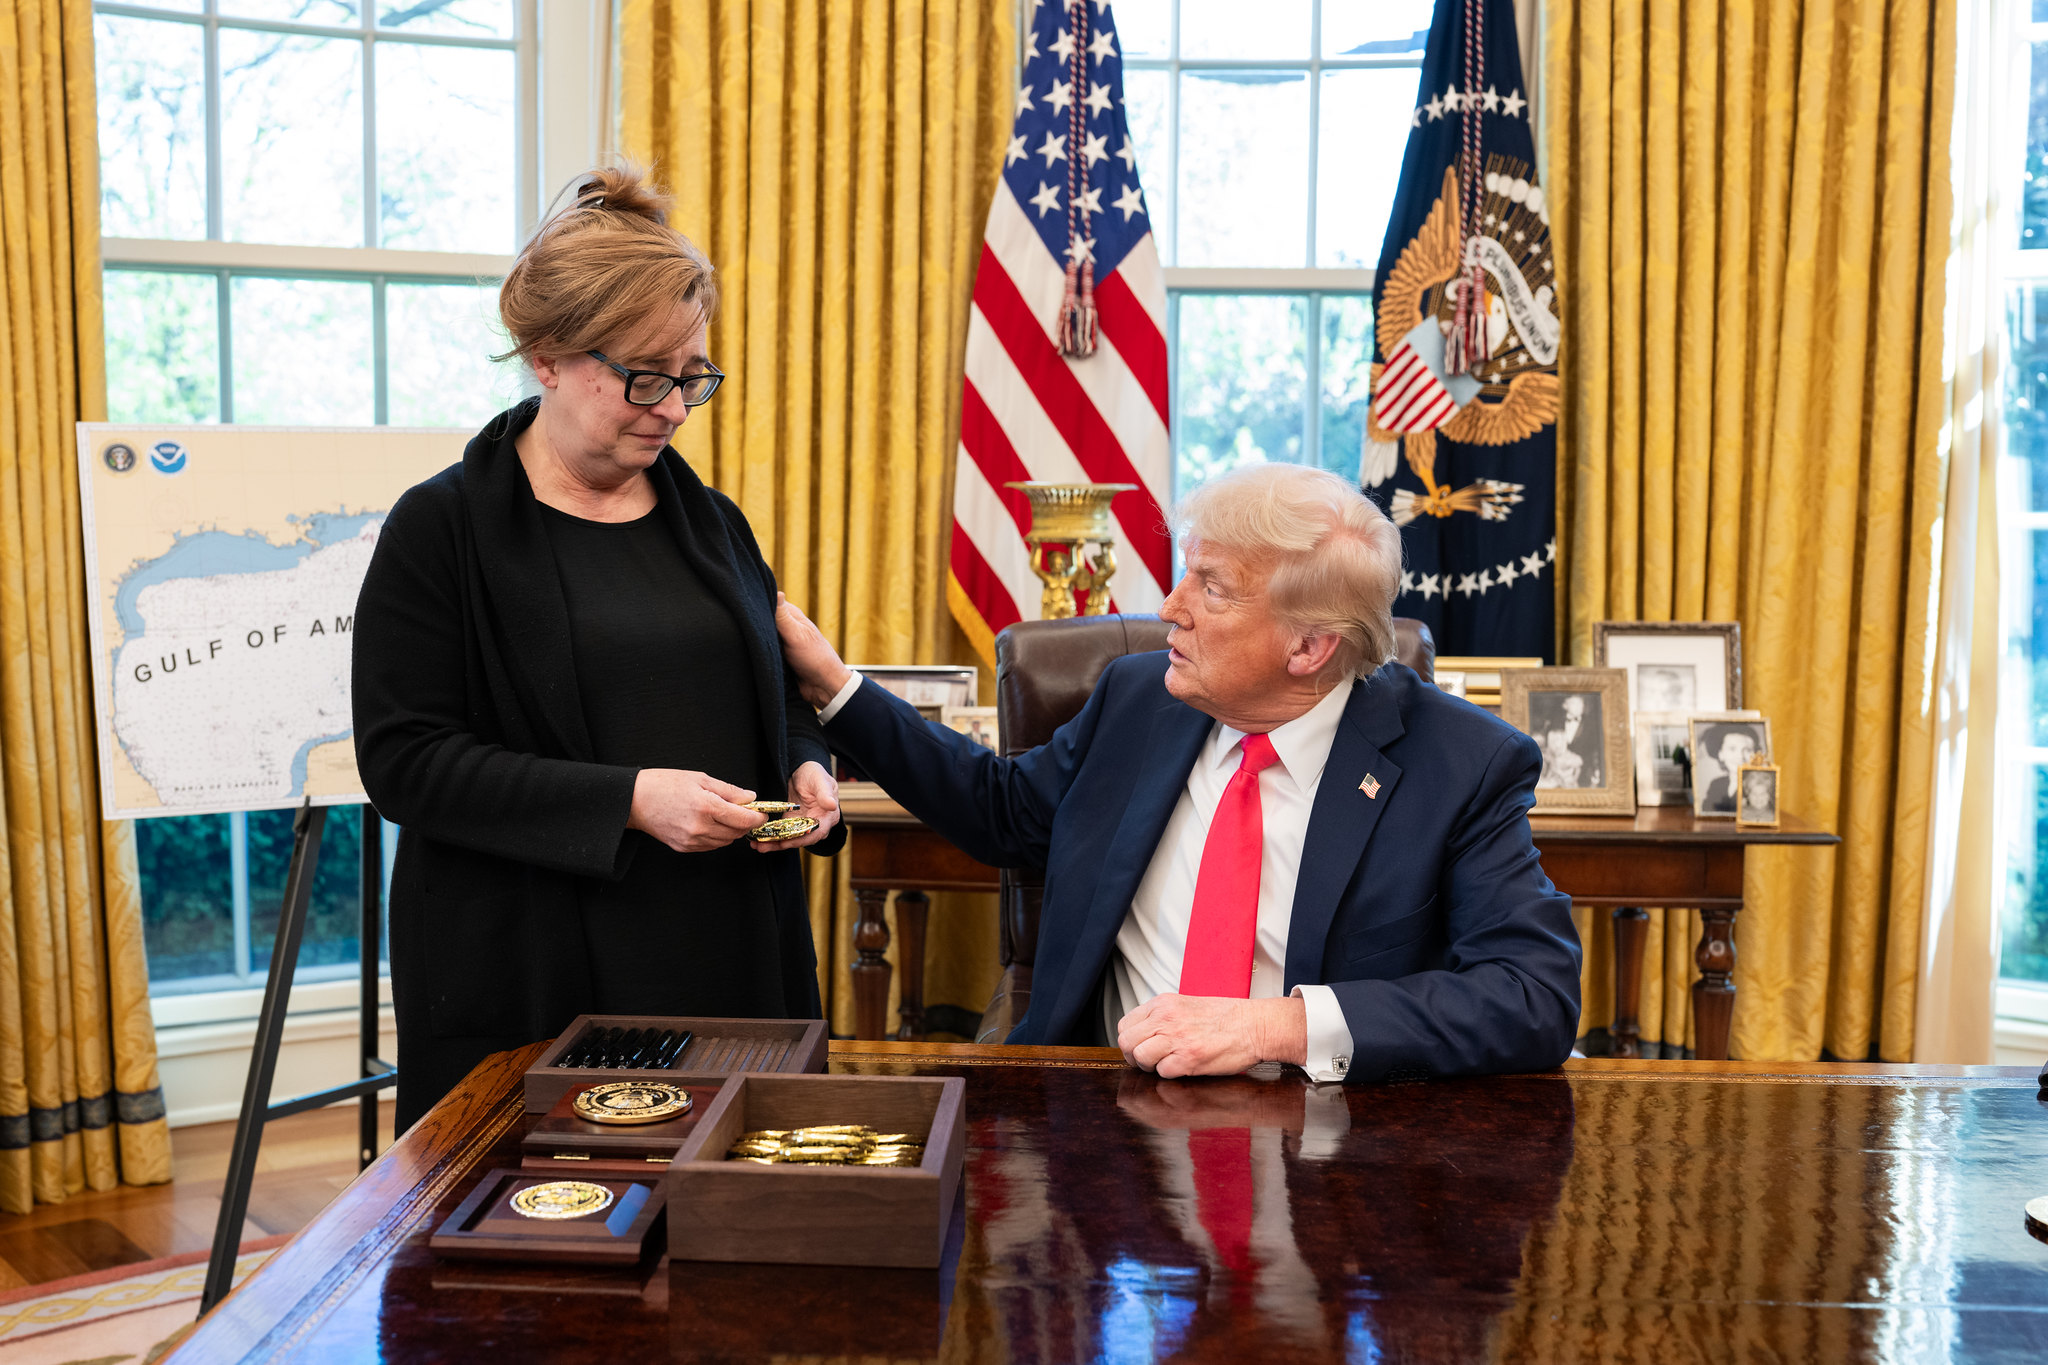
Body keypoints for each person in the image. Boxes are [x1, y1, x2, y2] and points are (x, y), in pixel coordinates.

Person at [775, 463, 1581, 1082]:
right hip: (1105, 1114)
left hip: (1326, 1141)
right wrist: (836, 687)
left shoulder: (1460, 765)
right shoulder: (1141, 698)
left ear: (1308, 648)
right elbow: (1003, 810)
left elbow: (1533, 997)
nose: (1168, 606)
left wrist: (1277, 1026)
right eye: (1186, 571)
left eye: (1211, 586)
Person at [353, 167, 843, 1128]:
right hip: (534, 966)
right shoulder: (438, 530)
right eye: (644, 376)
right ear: (545, 355)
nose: (674, 407)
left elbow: (768, 684)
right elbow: (404, 763)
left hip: (726, 952)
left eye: (693, 375)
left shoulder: (714, 525)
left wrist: (808, 760)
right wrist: (627, 801)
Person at [1697, 723, 1759, 814]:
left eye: (1748, 750)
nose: (1740, 756)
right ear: (1721, 754)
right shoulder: (1716, 785)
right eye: (1732, 749)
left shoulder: (1758, 787)